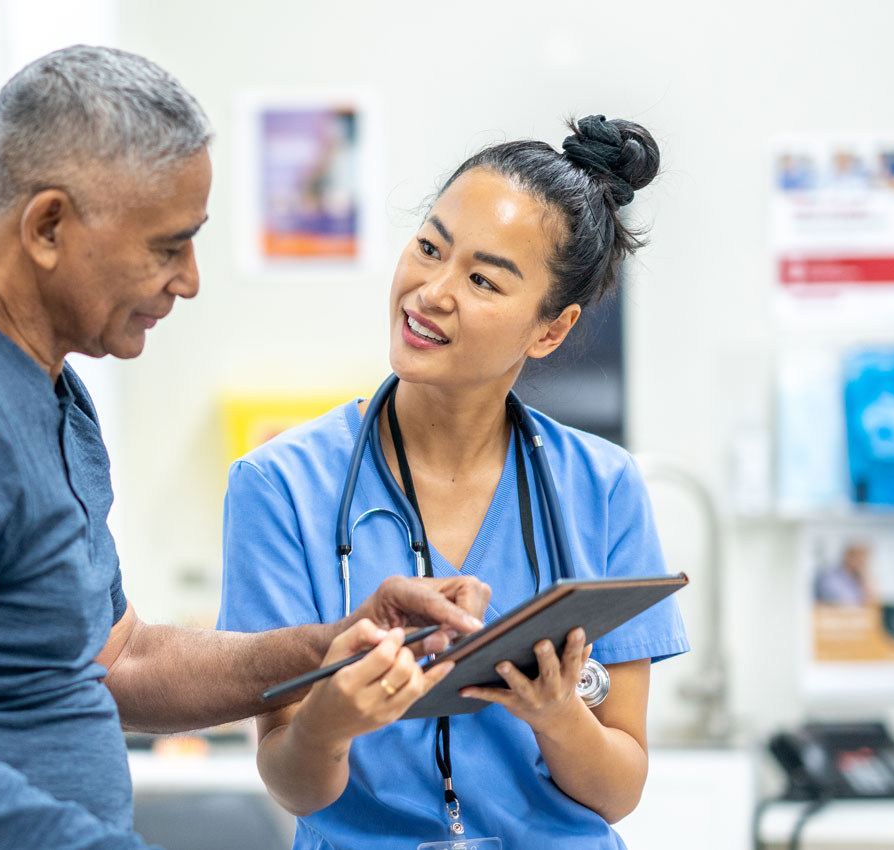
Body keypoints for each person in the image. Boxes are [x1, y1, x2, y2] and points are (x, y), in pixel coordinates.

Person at [0, 46, 489, 850]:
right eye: (168, 245)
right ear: (48, 225)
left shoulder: (41, 378)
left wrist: (331, 646)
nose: (189, 279)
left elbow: (117, 658)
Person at [218, 117, 689, 849]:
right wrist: (330, 719)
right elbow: (290, 781)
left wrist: (557, 713)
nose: (430, 291)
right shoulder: (279, 486)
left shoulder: (602, 487)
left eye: (481, 279)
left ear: (549, 330)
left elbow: (618, 789)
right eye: (429, 247)